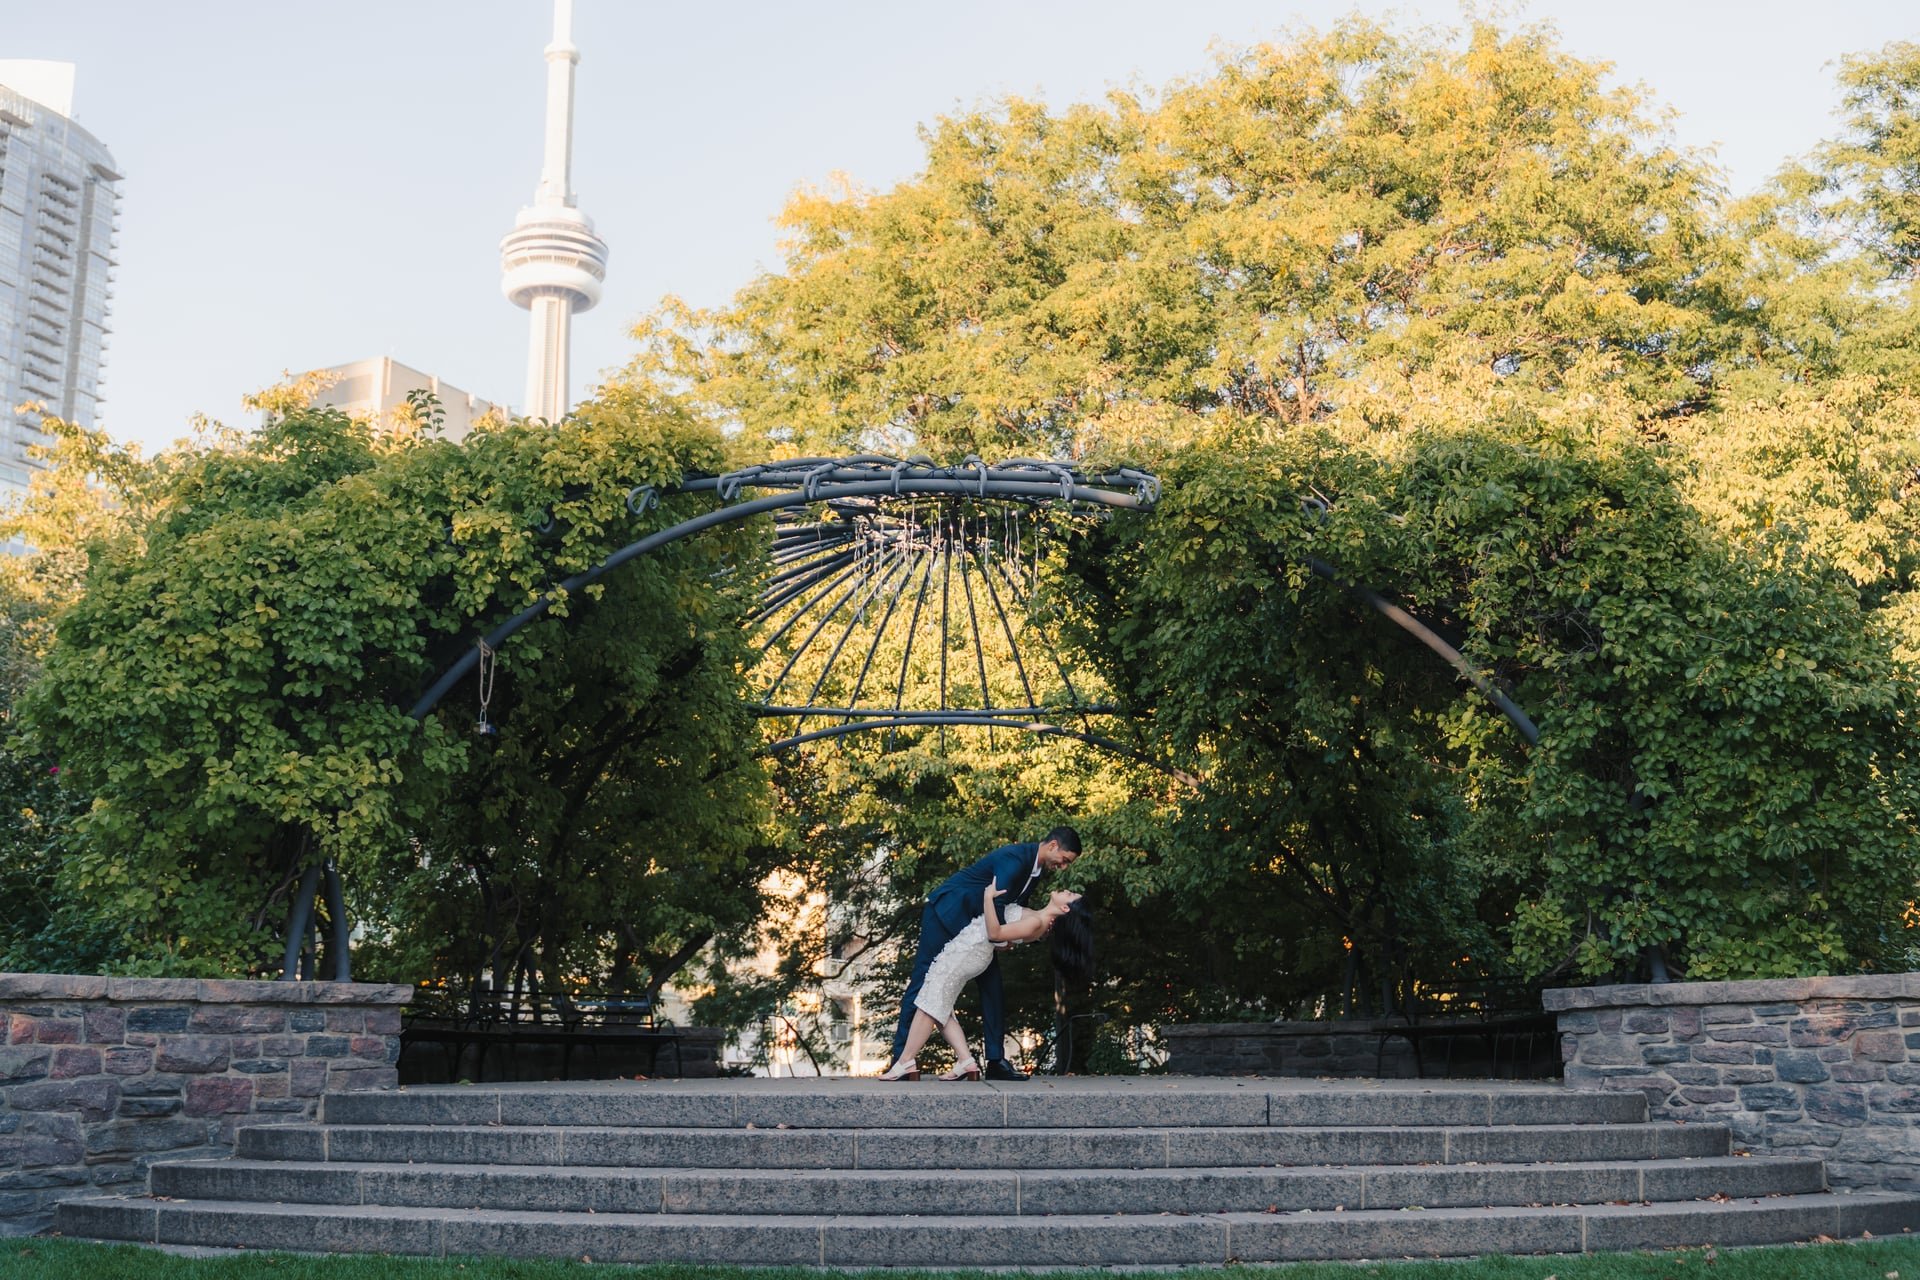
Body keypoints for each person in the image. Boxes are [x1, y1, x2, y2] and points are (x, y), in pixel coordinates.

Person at [886, 826, 1082, 1082]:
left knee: (992, 987)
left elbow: (1012, 911)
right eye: (1065, 860)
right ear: (1053, 846)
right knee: (923, 981)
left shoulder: (1034, 872)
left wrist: (1013, 935)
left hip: (978, 931)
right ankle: (902, 1058)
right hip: (946, 915)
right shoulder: (1015, 859)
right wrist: (1002, 939)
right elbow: (998, 902)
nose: (1064, 867)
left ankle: (994, 1061)